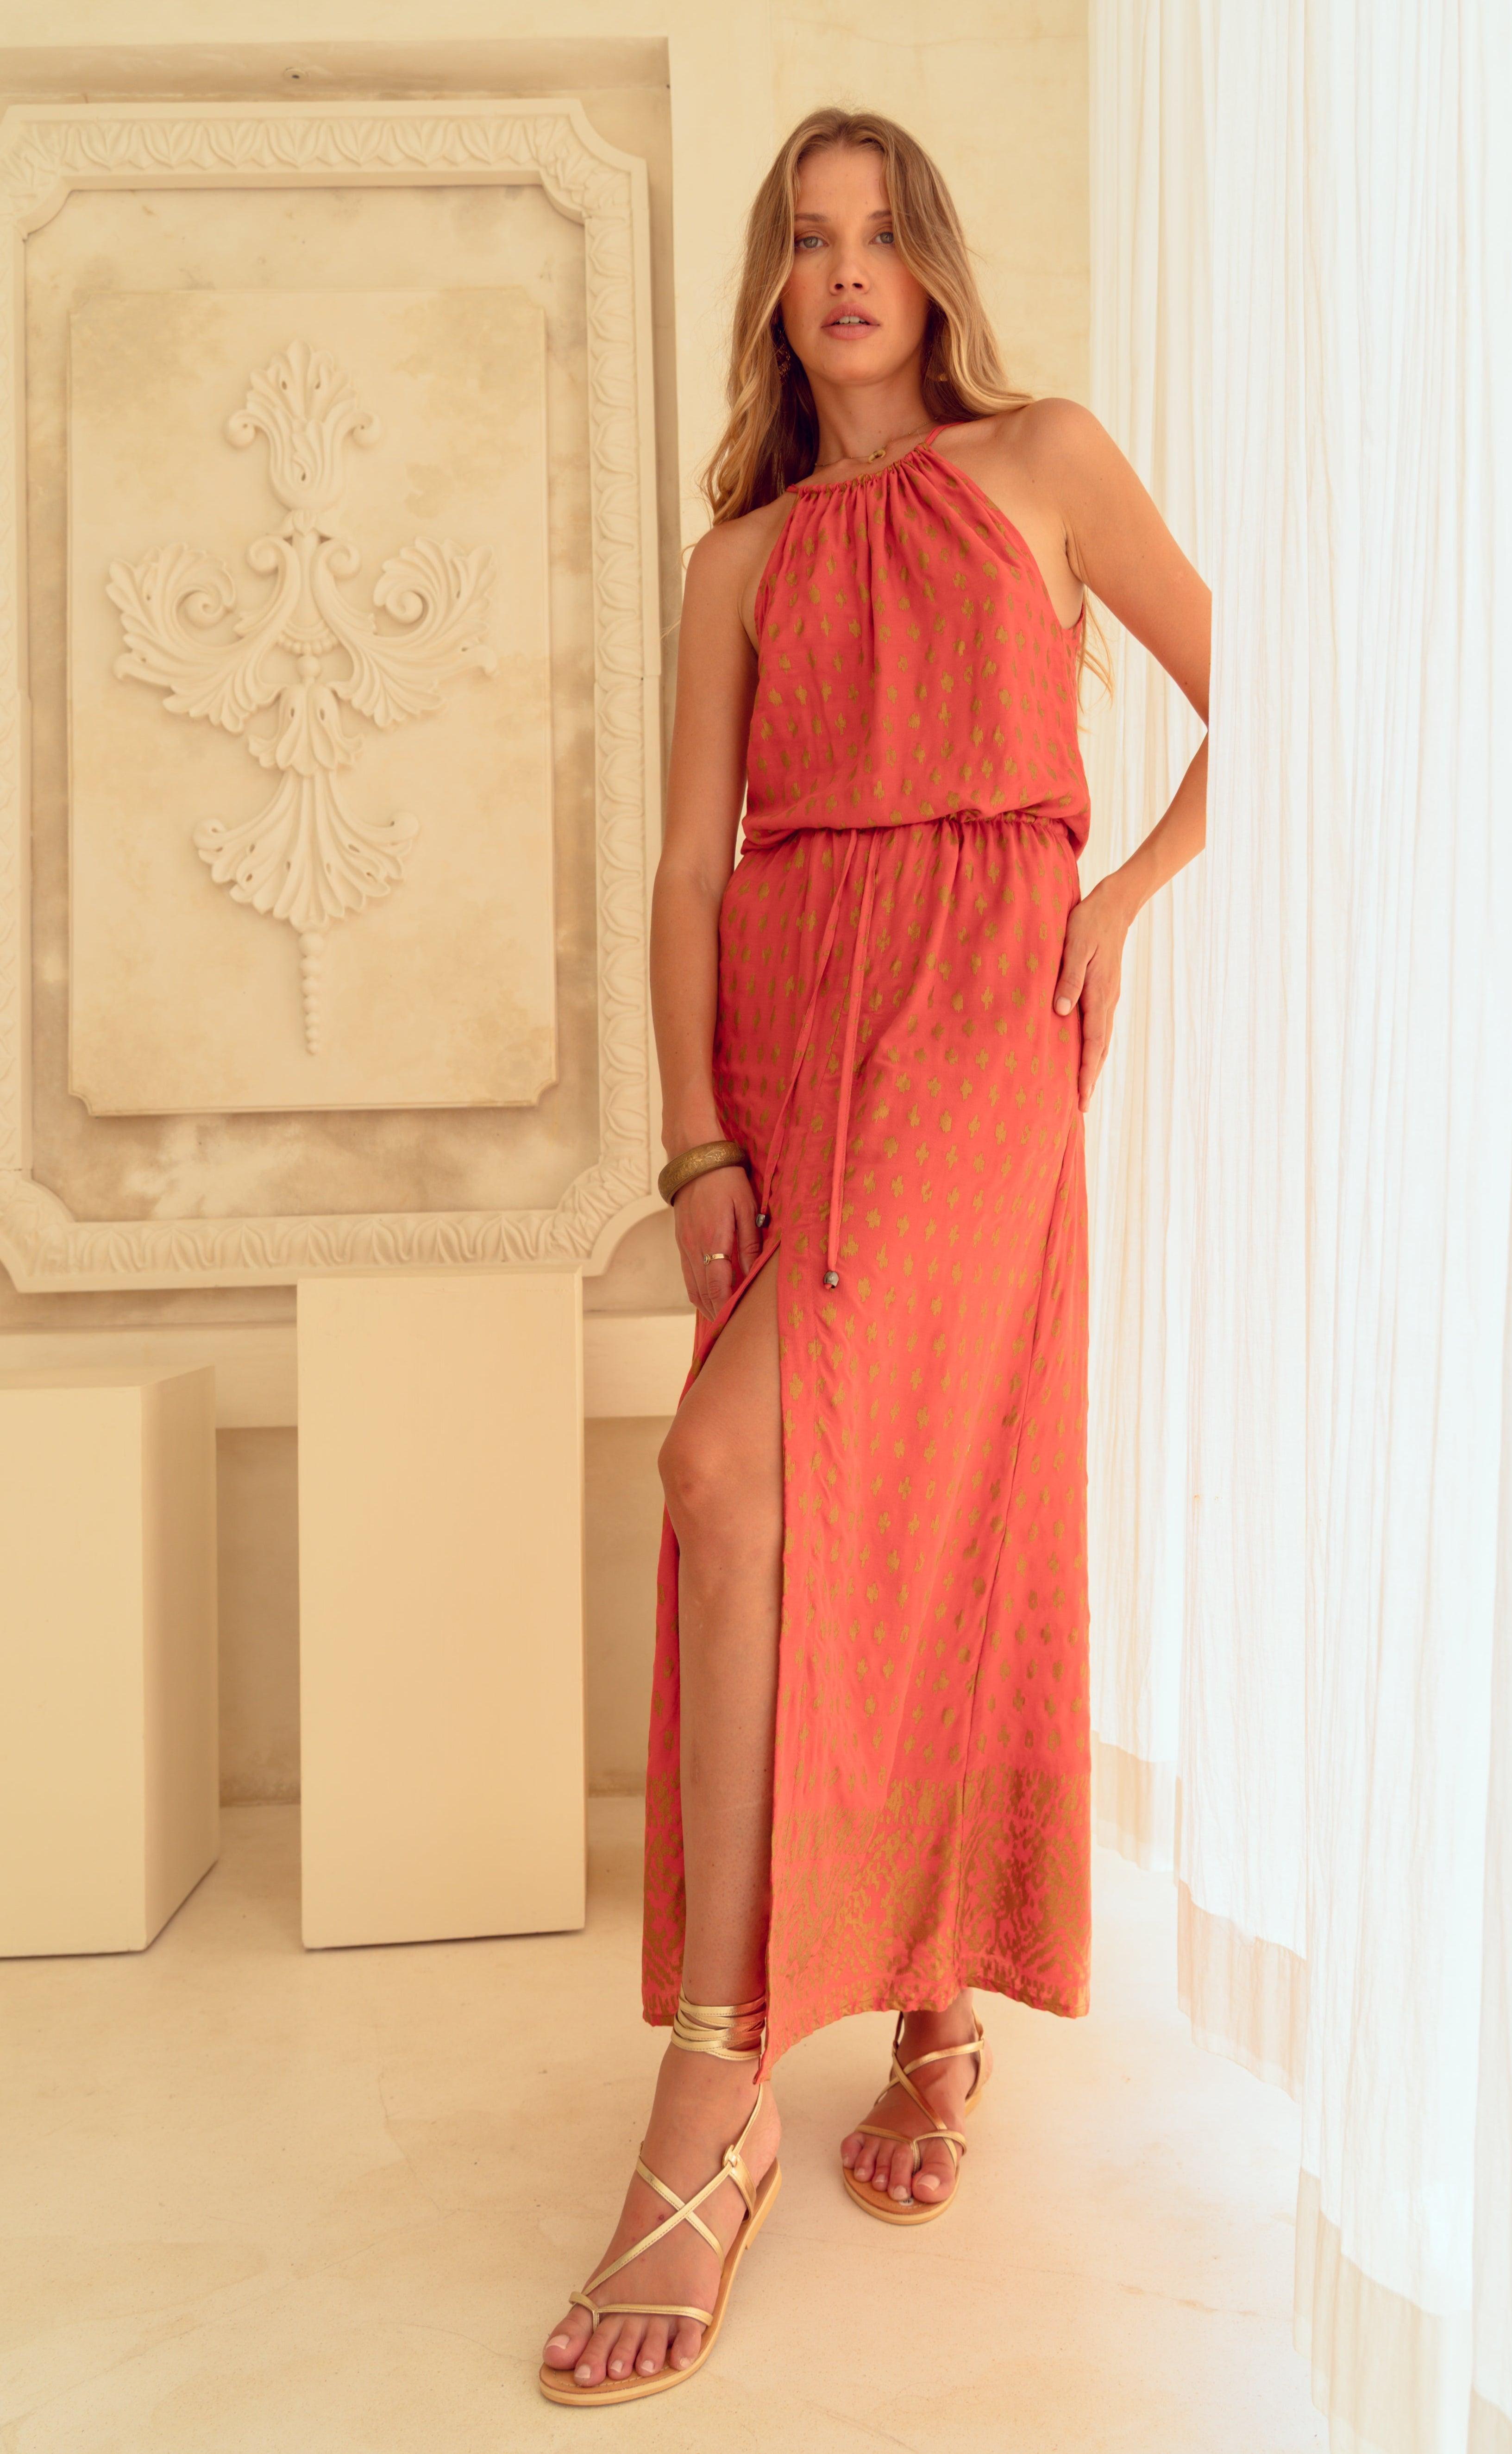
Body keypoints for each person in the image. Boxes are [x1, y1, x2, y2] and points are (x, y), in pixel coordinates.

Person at [540, 104, 1210, 2407]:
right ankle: (919, 2013)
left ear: (930, 266)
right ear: (774, 284)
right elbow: (675, 870)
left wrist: (1108, 904)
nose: (843, 273)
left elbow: (1275, 680)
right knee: (846, 1499)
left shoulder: (1039, 461)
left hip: (973, 1034)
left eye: (878, 235)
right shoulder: (744, 554)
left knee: (748, 1478)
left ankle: (715, 2083)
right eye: (804, 241)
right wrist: (696, 1134)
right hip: (782, 1043)